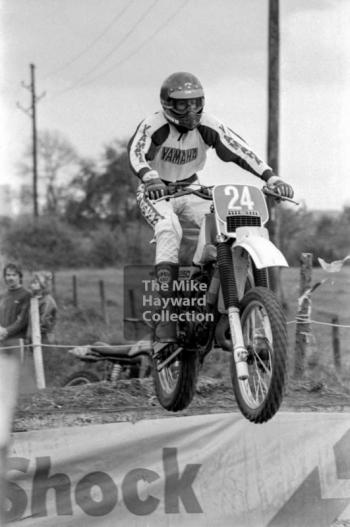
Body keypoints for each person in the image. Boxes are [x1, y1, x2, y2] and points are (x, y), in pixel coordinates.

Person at [128, 71, 294, 342]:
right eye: (182, 104)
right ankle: (167, 311)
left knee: (221, 221)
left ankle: (200, 281)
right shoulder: (154, 125)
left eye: (195, 102)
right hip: (156, 191)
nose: (190, 110)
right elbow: (136, 152)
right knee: (169, 229)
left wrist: (271, 177)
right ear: (168, 104)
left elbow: (240, 149)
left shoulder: (208, 124)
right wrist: (150, 177)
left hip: (192, 187)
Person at [27, 271, 57, 344]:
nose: (32, 285)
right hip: (33, 336)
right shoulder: (34, 299)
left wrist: (33, 333)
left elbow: (45, 321)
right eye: (32, 282)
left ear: (42, 285)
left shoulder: (47, 301)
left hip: (44, 337)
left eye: (35, 282)